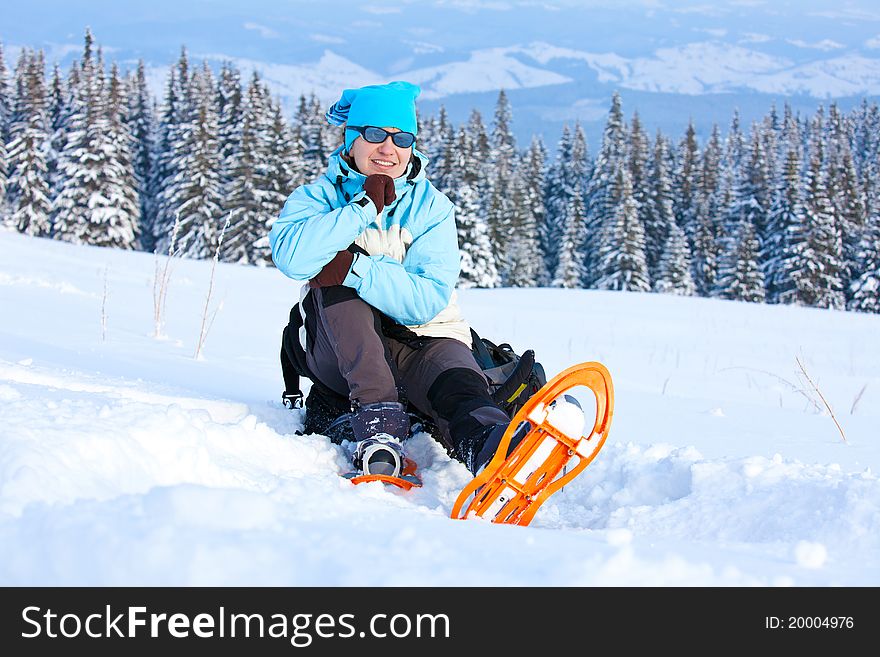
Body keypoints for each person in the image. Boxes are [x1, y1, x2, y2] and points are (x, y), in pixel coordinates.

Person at [269, 80, 514, 476]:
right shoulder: (317, 198)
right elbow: (294, 259)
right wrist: (362, 208)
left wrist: (355, 268)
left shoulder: (431, 208)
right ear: (351, 139)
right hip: (340, 354)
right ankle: (377, 429)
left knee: (455, 376)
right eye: (374, 134)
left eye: (401, 137)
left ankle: (492, 445)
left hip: (421, 339)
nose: (388, 148)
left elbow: (427, 299)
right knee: (335, 290)